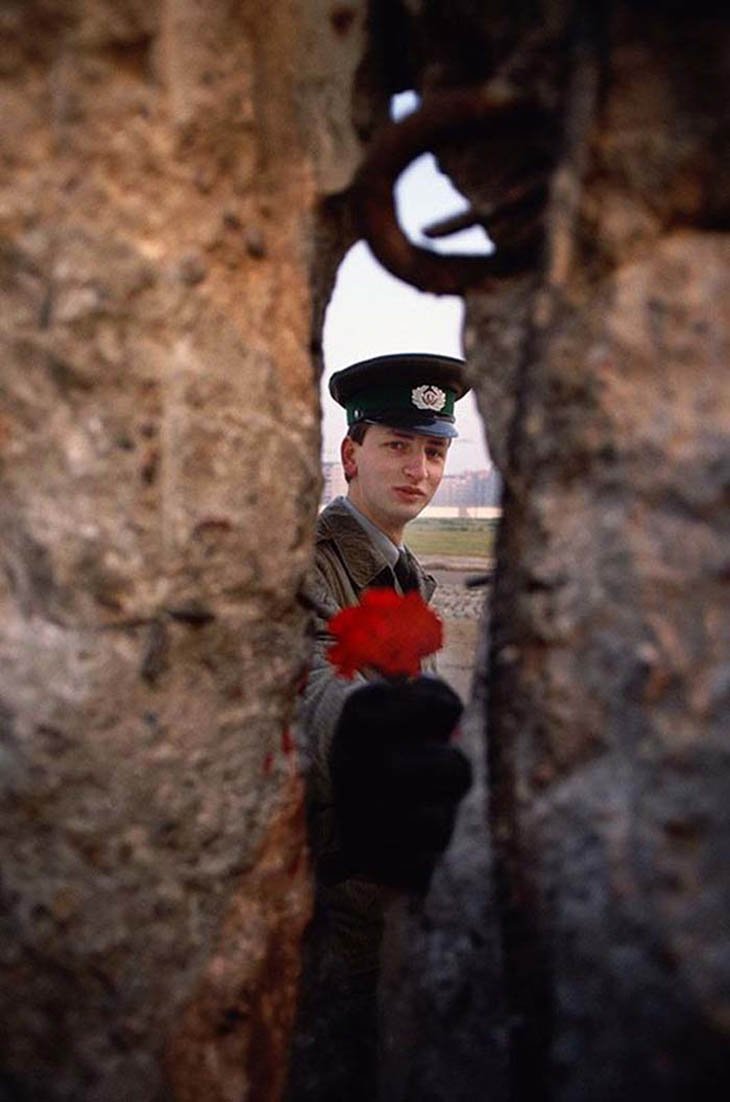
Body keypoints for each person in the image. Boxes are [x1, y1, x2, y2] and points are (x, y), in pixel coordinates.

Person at [287, 353, 472, 1101]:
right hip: (326, 934)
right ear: (352, 453)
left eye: (434, 450)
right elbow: (303, 679)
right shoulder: (305, 562)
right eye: (397, 445)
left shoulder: (407, 574)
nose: (419, 470)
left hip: (384, 931)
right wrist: (362, 733)